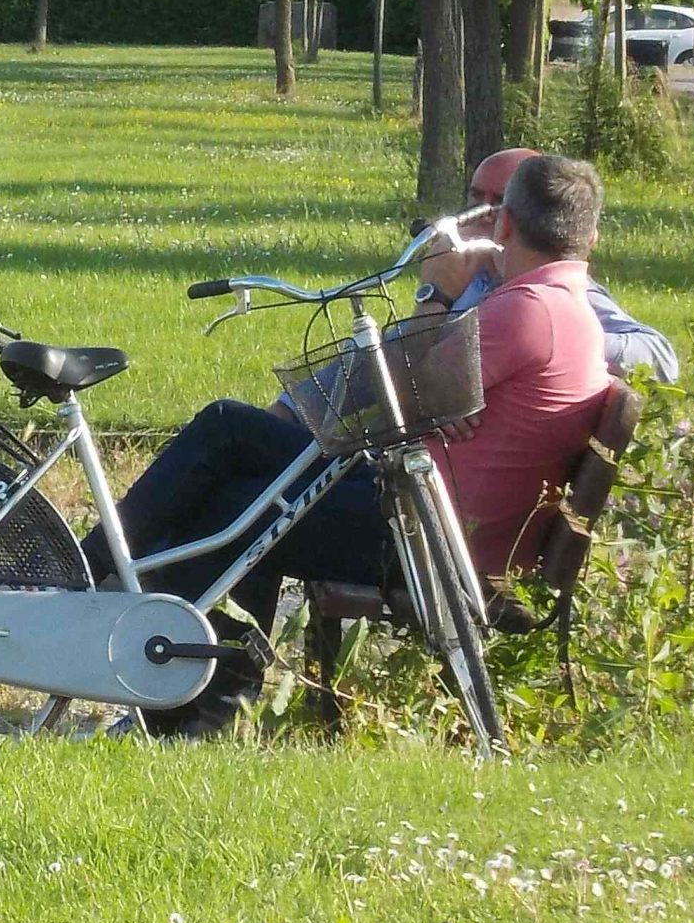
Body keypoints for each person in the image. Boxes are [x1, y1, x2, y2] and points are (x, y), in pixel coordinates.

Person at [99, 153, 614, 739]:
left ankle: (92, 577)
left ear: (504, 227)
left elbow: (392, 388)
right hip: (436, 525)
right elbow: (424, 394)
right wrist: (438, 406)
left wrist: (438, 292)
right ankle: (196, 706)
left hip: (426, 545)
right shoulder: (570, 309)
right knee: (240, 492)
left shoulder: (527, 310)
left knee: (228, 437)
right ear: (590, 235)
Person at [416, 146, 680, 382]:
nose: (481, 216)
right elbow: (388, 382)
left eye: (498, 202)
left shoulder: (556, 288)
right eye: (475, 199)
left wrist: (553, 340)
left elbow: (661, 357)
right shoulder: (464, 273)